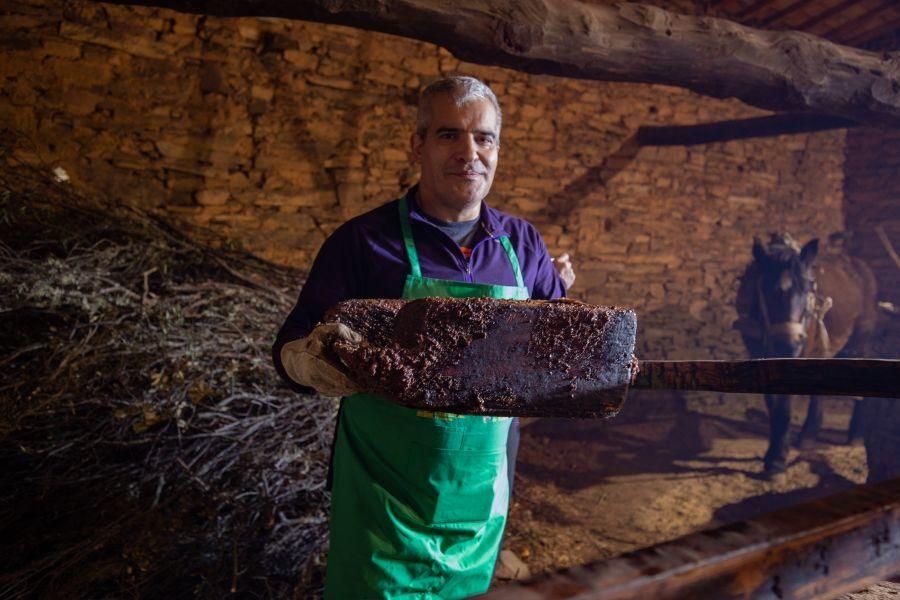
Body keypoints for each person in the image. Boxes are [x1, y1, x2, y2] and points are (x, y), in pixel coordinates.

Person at [272, 75, 574, 599]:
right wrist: (309, 360)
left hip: (480, 498)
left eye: (485, 138)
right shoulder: (364, 242)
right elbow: (290, 346)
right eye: (448, 135)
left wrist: (567, 331)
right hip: (382, 505)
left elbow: (554, 350)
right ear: (417, 144)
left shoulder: (522, 245)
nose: (470, 153)